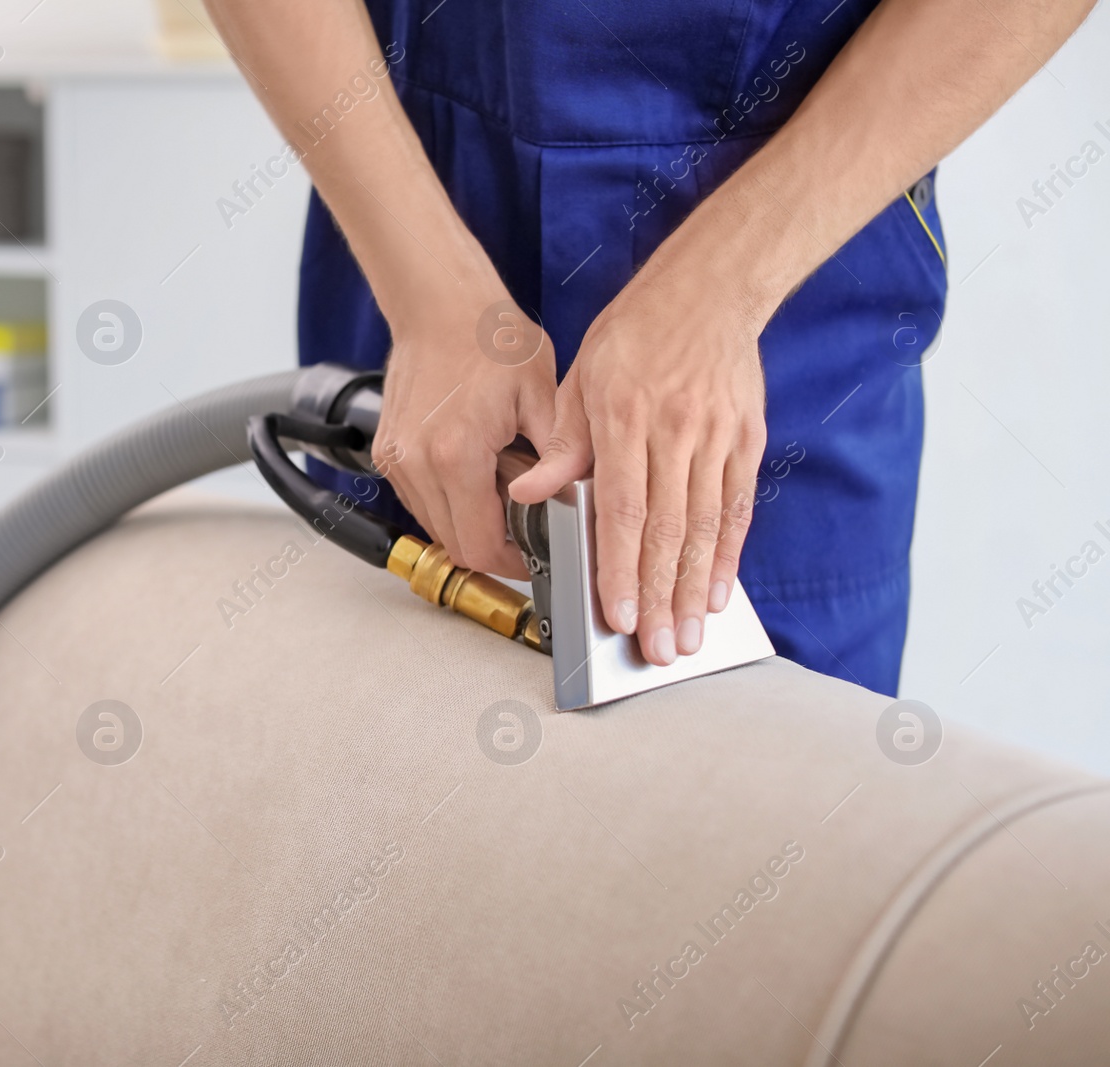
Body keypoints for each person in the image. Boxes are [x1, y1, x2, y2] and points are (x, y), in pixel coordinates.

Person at [202, 0, 1092, 695]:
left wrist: (726, 279)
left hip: (787, 311)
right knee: (393, 842)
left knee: (766, 849)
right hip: (426, 221)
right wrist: (429, 294)